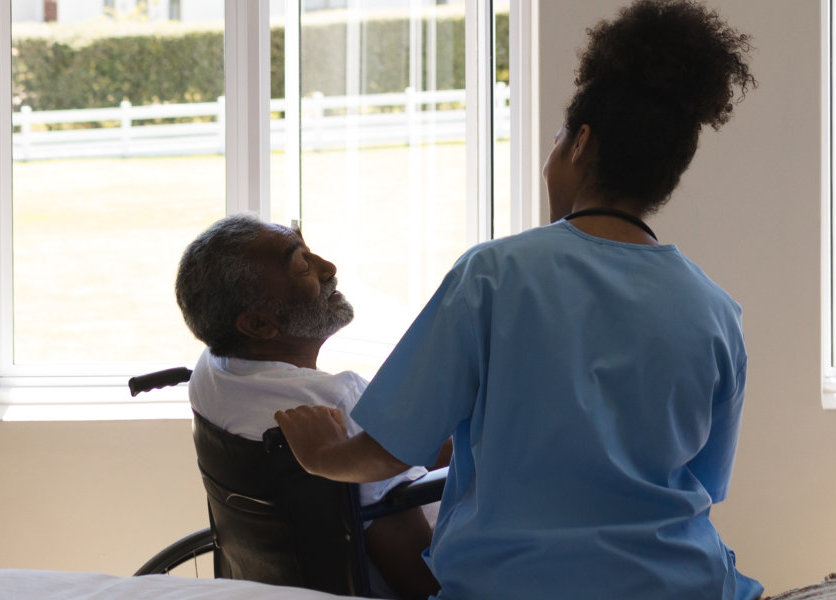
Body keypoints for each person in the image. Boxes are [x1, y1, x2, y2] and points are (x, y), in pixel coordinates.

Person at [271, 1, 760, 598]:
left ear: (580, 144)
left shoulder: (493, 275)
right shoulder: (715, 310)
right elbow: (705, 481)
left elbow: (385, 453)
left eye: (556, 141)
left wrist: (323, 455)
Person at [173, 214, 440, 598]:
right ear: (259, 325)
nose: (329, 268)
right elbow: (418, 579)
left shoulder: (211, 376)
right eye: (302, 266)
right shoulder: (334, 405)